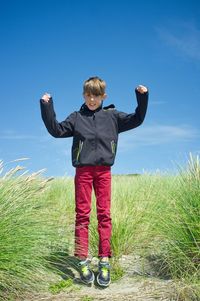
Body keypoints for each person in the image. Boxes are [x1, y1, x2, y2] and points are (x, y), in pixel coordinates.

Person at [40, 76, 148, 287]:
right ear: (84, 95)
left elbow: (137, 119)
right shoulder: (77, 117)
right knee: (82, 215)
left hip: (104, 172)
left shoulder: (112, 116)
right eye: (88, 95)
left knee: (104, 215)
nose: (92, 99)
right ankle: (82, 259)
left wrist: (142, 97)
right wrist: (47, 105)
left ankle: (104, 260)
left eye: (96, 96)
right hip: (83, 172)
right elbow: (56, 130)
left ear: (103, 96)